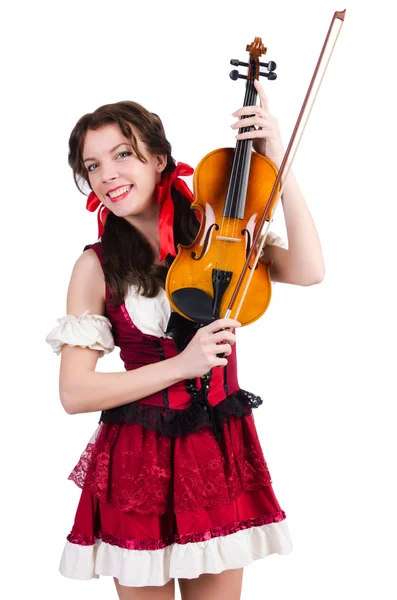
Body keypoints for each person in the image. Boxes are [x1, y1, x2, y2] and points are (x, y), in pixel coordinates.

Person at [45, 78, 325, 600]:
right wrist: (181, 365)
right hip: (136, 462)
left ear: (158, 158)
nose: (108, 175)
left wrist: (278, 164)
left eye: (122, 154)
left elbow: (308, 270)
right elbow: (74, 394)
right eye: (93, 166)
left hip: (216, 448)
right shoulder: (95, 266)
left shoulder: (220, 231)